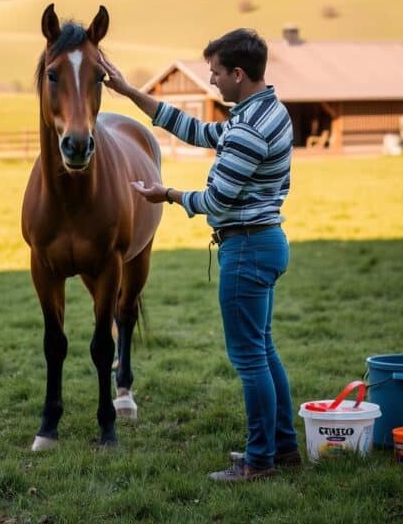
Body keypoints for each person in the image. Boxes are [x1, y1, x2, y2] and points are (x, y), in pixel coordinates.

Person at [99, 28, 298, 482]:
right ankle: (282, 447)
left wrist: (165, 194)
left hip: (246, 247)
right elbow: (195, 129)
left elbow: (218, 199)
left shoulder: (248, 129)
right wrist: (130, 92)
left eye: (216, 73)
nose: (212, 81)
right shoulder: (268, 111)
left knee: (249, 358)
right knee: (264, 350)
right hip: (265, 241)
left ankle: (260, 460)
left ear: (239, 74)